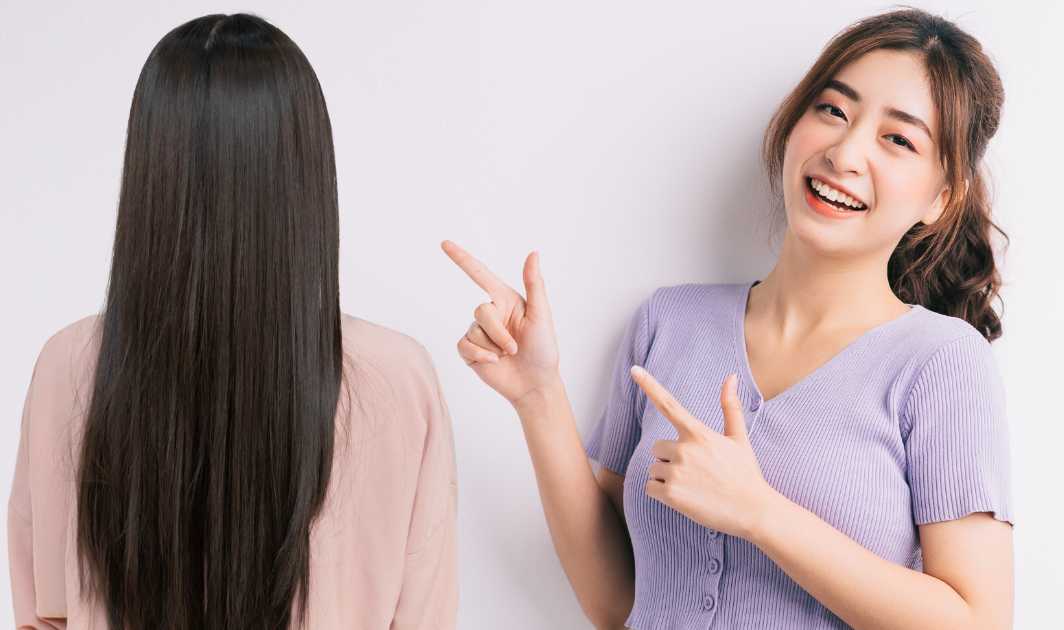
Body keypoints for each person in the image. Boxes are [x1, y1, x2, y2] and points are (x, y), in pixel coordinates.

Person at [442, 7, 1012, 629]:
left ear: (942, 197)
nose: (845, 152)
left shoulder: (941, 362)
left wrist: (760, 513)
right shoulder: (668, 322)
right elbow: (613, 602)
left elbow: (979, 622)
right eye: (832, 110)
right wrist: (536, 395)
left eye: (898, 140)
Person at [8, 14, 457, 630]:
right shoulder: (398, 378)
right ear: (306, 173)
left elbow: (50, 613)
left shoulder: (69, 364)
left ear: (150, 173)